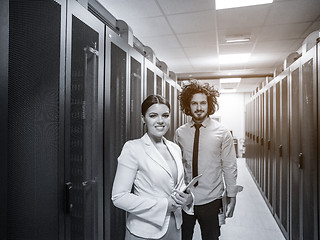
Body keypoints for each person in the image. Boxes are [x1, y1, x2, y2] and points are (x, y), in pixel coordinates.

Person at [112, 94, 193, 240]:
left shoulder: (175, 148)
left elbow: (178, 185)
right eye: (153, 115)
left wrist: (188, 199)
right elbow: (119, 197)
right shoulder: (133, 148)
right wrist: (164, 205)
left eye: (165, 115)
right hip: (145, 231)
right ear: (144, 119)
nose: (160, 121)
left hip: (175, 227)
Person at [174, 80, 242, 240]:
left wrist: (231, 195)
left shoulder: (222, 132)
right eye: (194, 103)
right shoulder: (180, 133)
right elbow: (176, 166)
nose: (199, 108)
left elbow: (229, 166)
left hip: (212, 198)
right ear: (188, 106)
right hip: (186, 199)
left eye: (203, 103)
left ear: (209, 104)